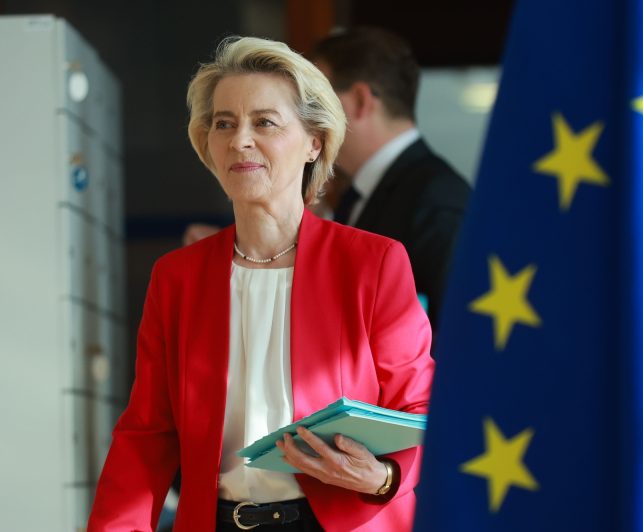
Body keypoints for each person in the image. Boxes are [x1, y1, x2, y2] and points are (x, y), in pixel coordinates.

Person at [88, 36, 434, 532]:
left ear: (314, 141)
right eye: (224, 123)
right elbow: (147, 434)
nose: (239, 140)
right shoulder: (177, 276)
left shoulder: (373, 262)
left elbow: (418, 406)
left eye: (264, 122)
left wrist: (384, 476)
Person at [312, 27, 471, 333]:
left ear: (360, 101)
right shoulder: (357, 195)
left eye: (315, 101)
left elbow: (454, 335)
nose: (305, 118)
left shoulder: (438, 201)